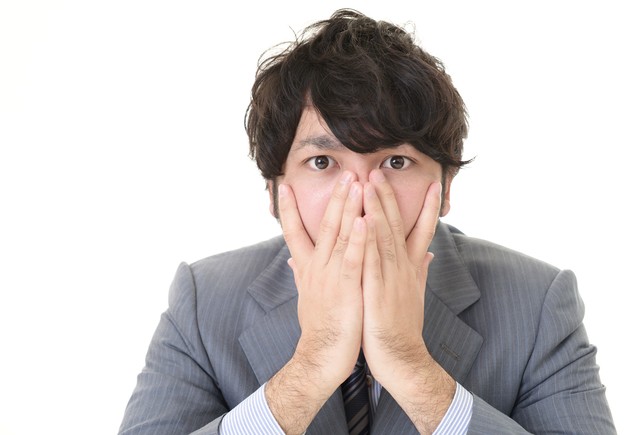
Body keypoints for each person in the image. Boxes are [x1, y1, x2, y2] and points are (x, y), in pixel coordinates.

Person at [119, 9, 616, 434]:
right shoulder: (203, 302)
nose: (359, 197)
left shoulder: (539, 303)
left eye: (396, 162)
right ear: (274, 191)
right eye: (322, 162)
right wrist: (313, 364)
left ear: (445, 187)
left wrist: (409, 364)